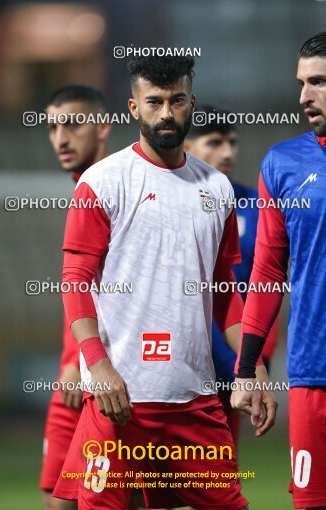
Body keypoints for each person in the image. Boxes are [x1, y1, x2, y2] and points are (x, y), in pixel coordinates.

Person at [52, 55, 276, 510]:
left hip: (196, 399)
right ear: (133, 107)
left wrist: (253, 367)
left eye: (176, 100)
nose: (166, 113)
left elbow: (224, 293)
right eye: (154, 101)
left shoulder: (216, 189)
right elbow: (75, 281)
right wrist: (97, 367)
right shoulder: (102, 182)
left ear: (191, 102)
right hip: (119, 399)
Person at [231, 32, 326, 510]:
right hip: (313, 373)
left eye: (320, 82)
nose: (304, 97)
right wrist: (247, 369)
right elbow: (268, 271)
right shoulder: (284, 163)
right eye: (302, 83)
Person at [185, 106, 279, 444]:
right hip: (175, 360)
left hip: (235, 363)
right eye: (215, 142)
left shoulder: (256, 206)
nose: (228, 152)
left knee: (213, 481)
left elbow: (267, 287)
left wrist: (253, 358)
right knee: (151, 486)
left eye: (232, 143)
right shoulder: (166, 202)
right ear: (187, 147)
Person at [40, 84, 111, 510]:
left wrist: (80, 359)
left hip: (105, 372)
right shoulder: (81, 187)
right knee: (58, 499)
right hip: (75, 369)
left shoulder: (121, 186)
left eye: (72, 123)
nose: (60, 138)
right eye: (52, 127)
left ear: (103, 126)